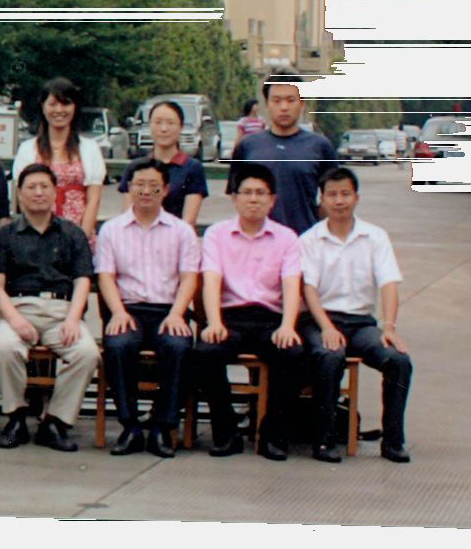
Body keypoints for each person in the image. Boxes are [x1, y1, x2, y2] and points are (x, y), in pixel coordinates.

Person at [300, 166, 413, 463]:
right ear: (322, 199)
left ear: (357, 197)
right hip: (320, 320)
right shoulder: (310, 239)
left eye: (346, 194)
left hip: (361, 323)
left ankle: (393, 441)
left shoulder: (375, 236)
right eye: (332, 195)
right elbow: (308, 289)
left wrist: (389, 327)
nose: (339, 201)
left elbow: (389, 283)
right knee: (330, 356)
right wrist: (326, 327)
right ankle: (323, 441)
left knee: (398, 360)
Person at [194, 162, 306, 460]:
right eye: (246, 192)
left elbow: (292, 285)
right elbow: (211, 280)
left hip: (270, 319)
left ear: (272, 199)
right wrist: (214, 322)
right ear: (234, 197)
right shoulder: (217, 234)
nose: (253, 199)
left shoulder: (287, 237)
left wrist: (288, 326)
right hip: (230, 318)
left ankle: (272, 435)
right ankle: (226, 433)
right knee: (205, 352)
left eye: (260, 193)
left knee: (294, 353)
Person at [0, 163, 101, 452]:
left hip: (61, 311)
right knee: (5, 347)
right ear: (19, 194)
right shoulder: (4, 235)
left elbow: (82, 280)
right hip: (18, 307)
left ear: (55, 192)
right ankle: (16, 417)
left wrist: (73, 320)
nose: (38, 193)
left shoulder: (72, 233)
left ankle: (55, 422)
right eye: (31, 187)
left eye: (44, 187)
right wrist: (14, 319)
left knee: (86, 353)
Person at [95, 158, 200, 458]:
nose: (145, 191)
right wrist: (117, 312)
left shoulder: (181, 231)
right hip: (128, 309)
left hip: (168, 310)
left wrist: (177, 313)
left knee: (179, 347)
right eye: (139, 184)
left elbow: (189, 277)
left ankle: (162, 427)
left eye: (153, 186)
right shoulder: (111, 230)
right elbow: (106, 276)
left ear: (165, 190)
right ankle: (130, 426)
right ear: (129, 187)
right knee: (118, 345)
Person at [230, 75, 337, 234]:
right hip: (258, 239)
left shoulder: (320, 146)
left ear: (302, 103)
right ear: (267, 104)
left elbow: (333, 195)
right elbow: (235, 194)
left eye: (291, 100)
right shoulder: (248, 146)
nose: (284, 107)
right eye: (277, 100)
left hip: (304, 239)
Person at [13, 78, 105, 241]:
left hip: (78, 234)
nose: (59, 110)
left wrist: (80, 240)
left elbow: (94, 199)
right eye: (53, 104)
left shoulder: (89, 148)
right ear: (43, 106)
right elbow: (22, 198)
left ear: (75, 107)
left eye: (65, 104)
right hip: (38, 236)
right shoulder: (28, 149)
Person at [114, 100, 209, 225]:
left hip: (176, 234)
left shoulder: (192, 168)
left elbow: (189, 221)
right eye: (158, 122)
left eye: (170, 123)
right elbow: (127, 215)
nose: (163, 129)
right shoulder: (136, 167)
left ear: (181, 127)